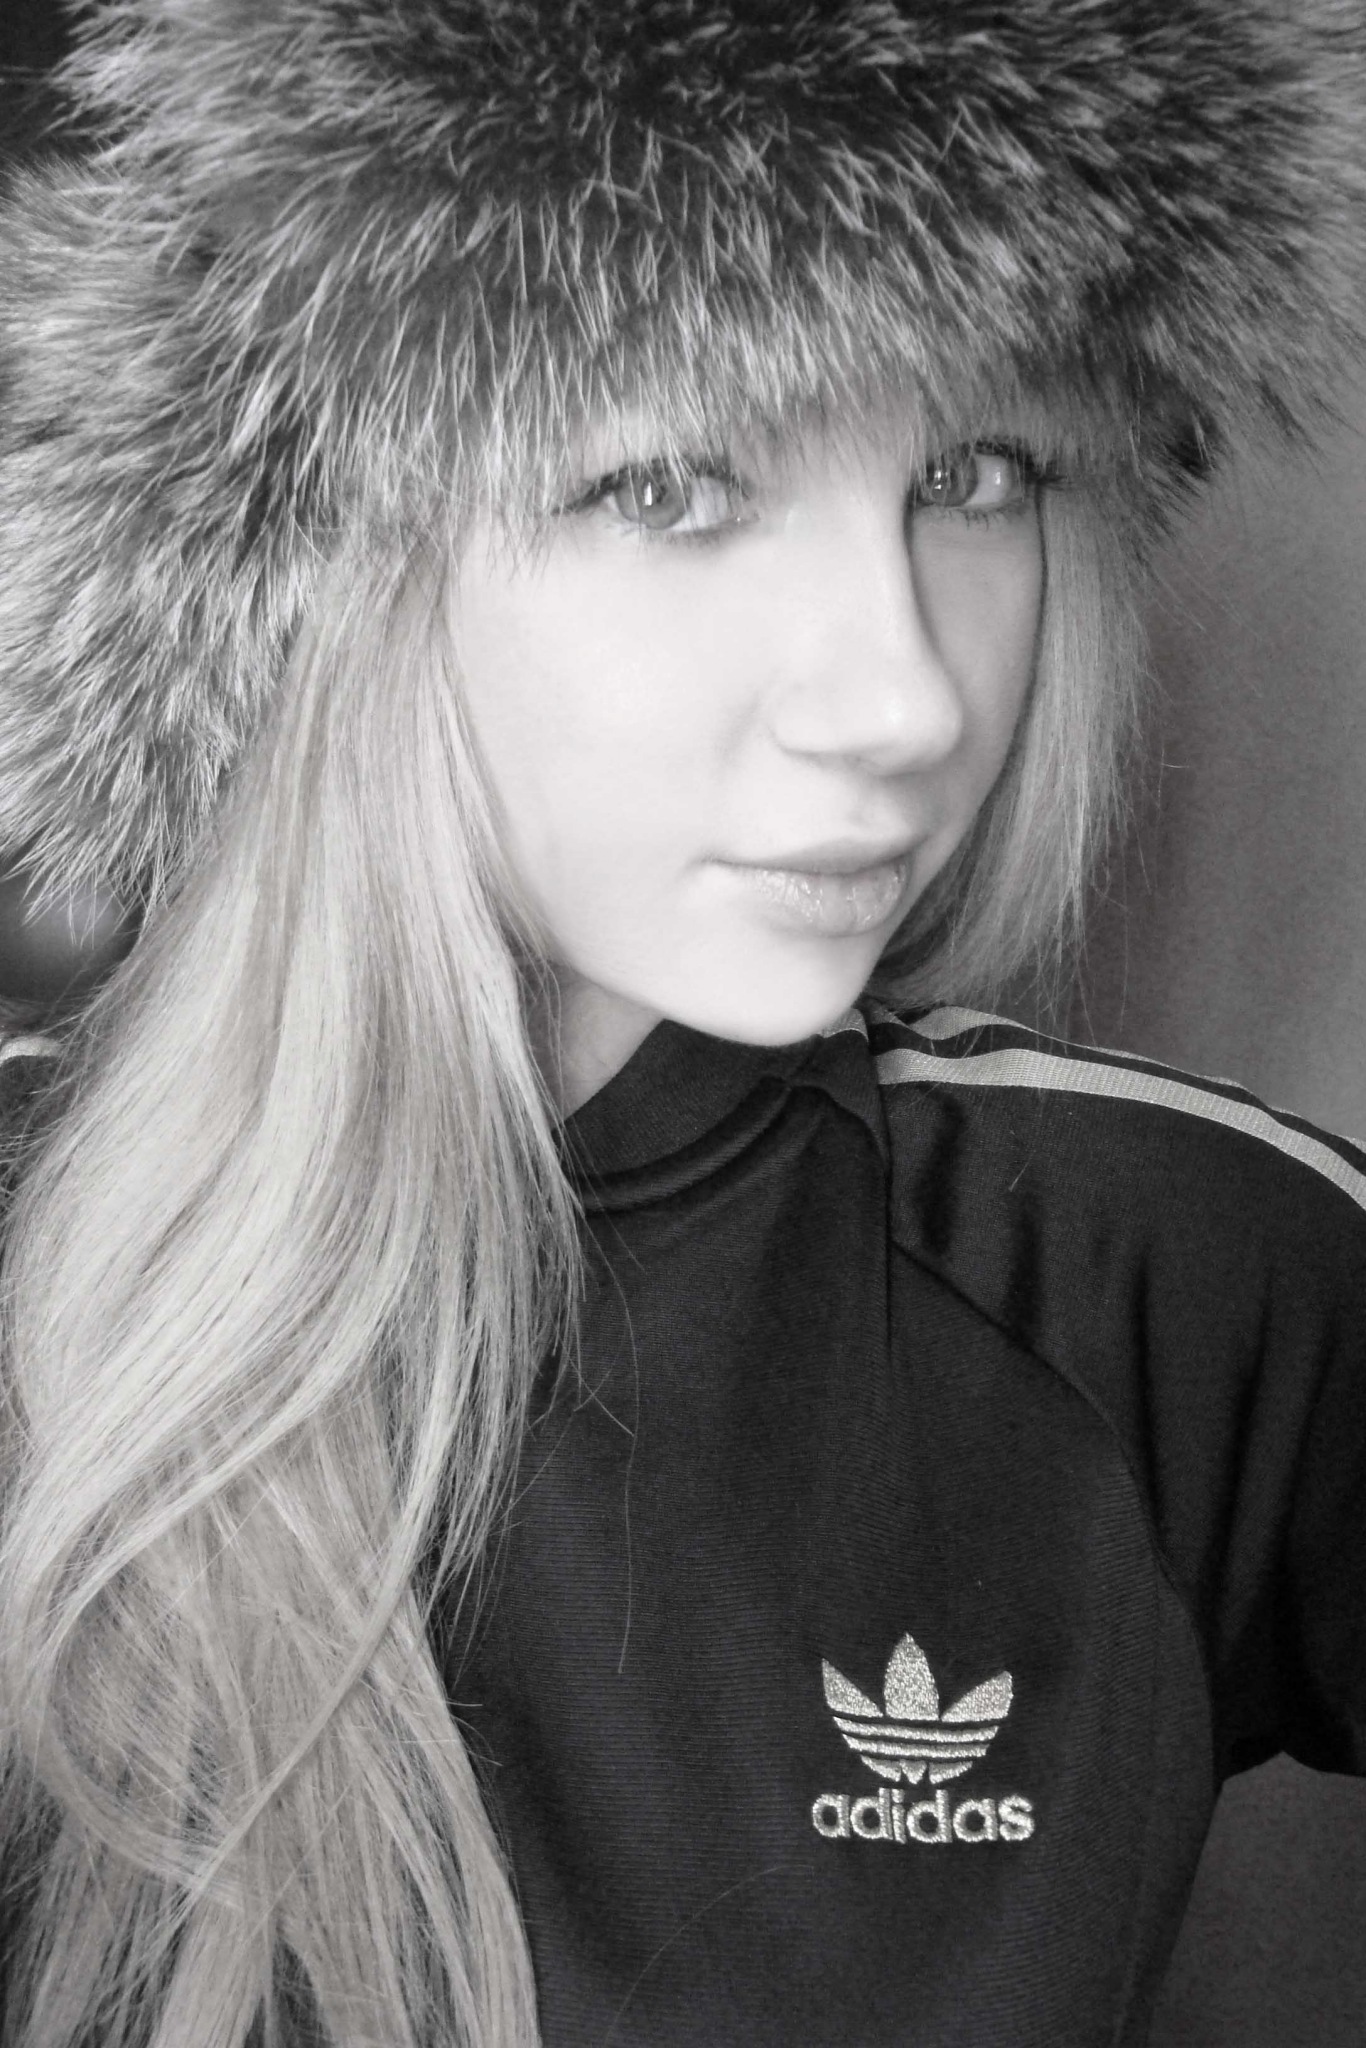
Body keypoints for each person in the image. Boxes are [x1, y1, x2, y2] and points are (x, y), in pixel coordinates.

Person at [0, 2, 1363, 2044]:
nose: (903, 695)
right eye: (664, 487)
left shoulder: (1151, 1273)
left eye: (974, 474)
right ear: (308, 571)